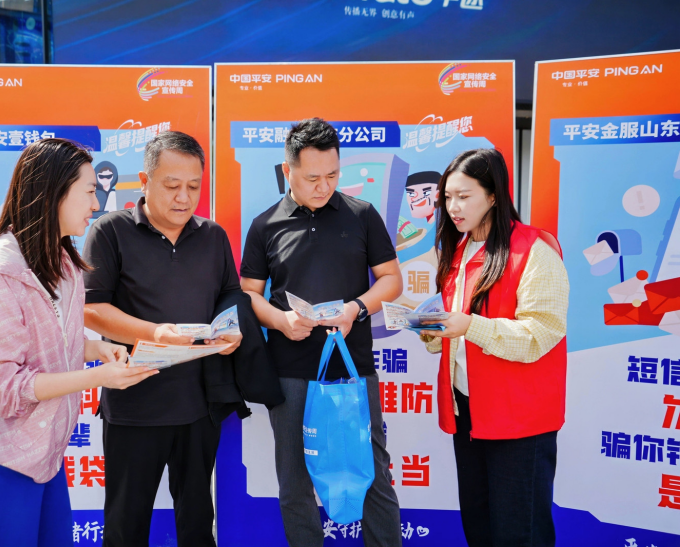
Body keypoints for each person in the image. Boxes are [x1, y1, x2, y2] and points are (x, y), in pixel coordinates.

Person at [0, 139, 158, 547]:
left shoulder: (60, 262)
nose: (96, 204)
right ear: (54, 191)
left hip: (43, 457)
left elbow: (50, 341)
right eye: (89, 191)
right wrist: (97, 378)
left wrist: (96, 350)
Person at [240, 118, 403, 547]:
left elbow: (391, 279)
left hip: (353, 367)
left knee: (372, 472)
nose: (323, 186)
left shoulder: (362, 215)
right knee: (294, 480)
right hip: (289, 371)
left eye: (332, 175)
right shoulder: (265, 225)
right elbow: (248, 293)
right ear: (287, 170)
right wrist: (280, 321)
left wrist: (355, 309)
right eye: (312, 177)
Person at [82, 131, 243, 547]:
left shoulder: (212, 236)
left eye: (194, 187)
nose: (184, 198)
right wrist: (155, 333)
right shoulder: (110, 231)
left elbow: (230, 294)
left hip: (199, 404)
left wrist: (230, 328)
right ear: (145, 180)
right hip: (134, 404)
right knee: (125, 526)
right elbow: (92, 308)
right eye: (172, 186)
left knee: (197, 523)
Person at [419, 148, 569, 547]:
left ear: (493, 195)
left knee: (520, 532)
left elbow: (542, 333)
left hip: (519, 416)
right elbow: (458, 327)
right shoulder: (457, 249)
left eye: (463, 196)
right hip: (468, 410)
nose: (453, 207)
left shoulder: (535, 249)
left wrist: (469, 326)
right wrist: (433, 331)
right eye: (447, 197)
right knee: (479, 525)